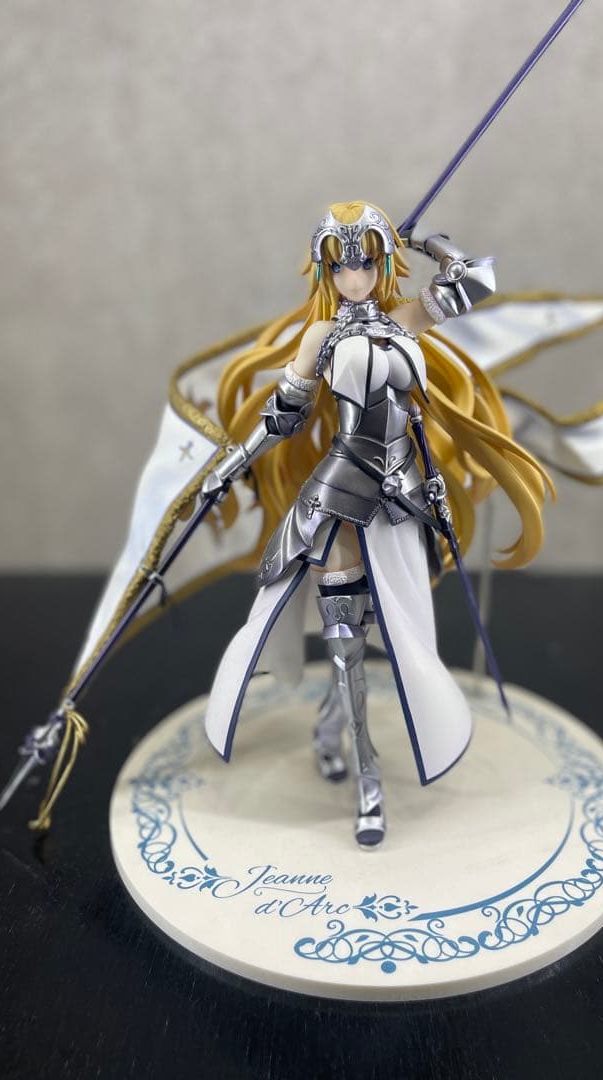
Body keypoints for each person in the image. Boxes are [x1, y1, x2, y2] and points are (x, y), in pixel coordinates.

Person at [200, 201, 552, 847]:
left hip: (403, 494)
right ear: (325, 272)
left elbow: (478, 280)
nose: (353, 277)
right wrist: (226, 467)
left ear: (382, 263)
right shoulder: (321, 337)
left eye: (364, 262)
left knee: (400, 625)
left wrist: (425, 240)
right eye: (340, 266)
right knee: (345, 641)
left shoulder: (405, 319)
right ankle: (369, 781)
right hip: (342, 487)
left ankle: (331, 723)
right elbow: (283, 416)